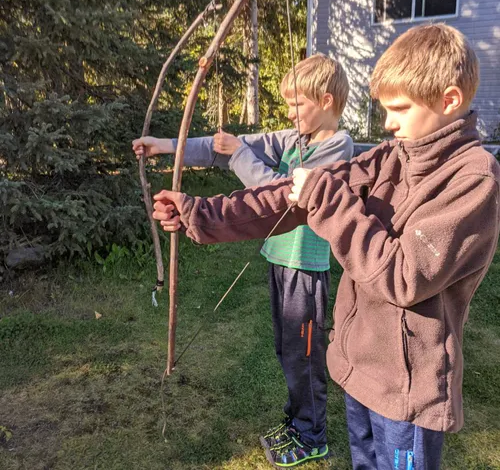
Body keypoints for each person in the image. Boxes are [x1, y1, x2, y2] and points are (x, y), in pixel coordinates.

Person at [151, 24, 500, 470]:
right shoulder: (390, 156)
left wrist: (327, 200)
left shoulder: (472, 178)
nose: (388, 123)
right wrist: (201, 214)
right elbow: (285, 198)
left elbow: (405, 277)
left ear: (449, 101)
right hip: (360, 370)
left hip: (408, 390)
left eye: (400, 109)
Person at [133, 53, 353, 467]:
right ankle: (296, 421)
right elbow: (221, 148)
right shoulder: (295, 139)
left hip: (306, 271)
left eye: (297, 105)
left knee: (304, 356)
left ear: (326, 101)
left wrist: (238, 154)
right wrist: (165, 146)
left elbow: (285, 194)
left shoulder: (338, 147)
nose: (290, 113)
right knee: (286, 350)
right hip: (281, 263)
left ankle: (313, 435)